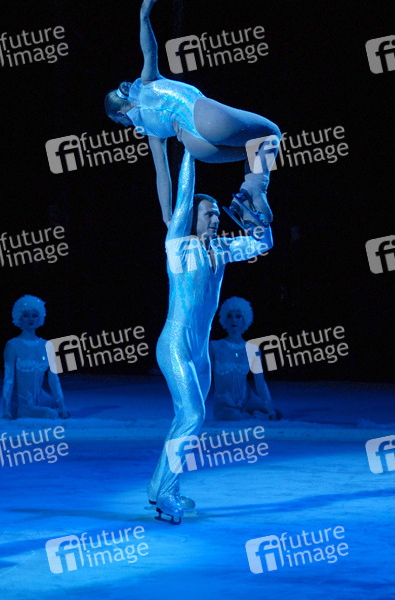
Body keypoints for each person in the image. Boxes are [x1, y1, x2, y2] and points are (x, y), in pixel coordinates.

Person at [147, 149, 274, 524]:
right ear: (192, 219)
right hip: (174, 346)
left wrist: (253, 209)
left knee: (185, 419)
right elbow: (184, 195)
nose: (216, 217)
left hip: (199, 353)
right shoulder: (178, 246)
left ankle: (160, 486)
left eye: (218, 213)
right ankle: (165, 494)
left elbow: (264, 243)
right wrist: (190, 150)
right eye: (209, 213)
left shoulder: (221, 249)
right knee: (192, 414)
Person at [105, 0, 281, 229]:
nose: (123, 126)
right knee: (271, 134)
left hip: (197, 148)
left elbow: (162, 175)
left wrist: (168, 218)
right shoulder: (148, 82)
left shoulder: (152, 133)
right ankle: (254, 190)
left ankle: (246, 202)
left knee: (252, 151)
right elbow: (149, 50)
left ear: (120, 112)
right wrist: (144, 15)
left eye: (118, 122)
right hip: (205, 119)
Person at [210, 296, 281, 421]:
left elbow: (260, 383)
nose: (234, 320)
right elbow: (203, 377)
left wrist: (269, 407)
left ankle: (254, 412)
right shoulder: (215, 346)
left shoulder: (253, 349)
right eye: (229, 316)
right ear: (224, 319)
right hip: (225, 405)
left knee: (275, 413)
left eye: (238, 316)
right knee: (237, 416)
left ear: (245, 319)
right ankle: (251, 415)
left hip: (248, 400)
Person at [2, 295, 69, 420]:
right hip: (22, 404)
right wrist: (6, 410)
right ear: (19, 317)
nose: (30, 319)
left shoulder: (47, 345)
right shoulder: (13, 345)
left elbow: (54, 379)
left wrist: (62, 406)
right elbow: (9, 379)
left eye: (34, 315)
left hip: (42, 399)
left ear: (40, 317)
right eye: (26, 315)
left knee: (57, 410)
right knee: (51, 414)